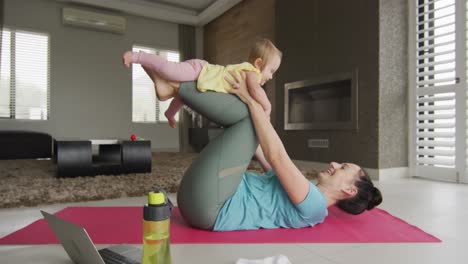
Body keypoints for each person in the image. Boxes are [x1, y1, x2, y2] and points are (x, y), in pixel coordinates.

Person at [145, 70, 383, 231]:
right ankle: (175, 88)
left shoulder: (315, 205)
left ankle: (176, 88)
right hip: (205, 197)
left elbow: (276, 156)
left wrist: (251, 101)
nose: (333, 163)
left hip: (211, 206)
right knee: (252, 120)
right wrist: (256, 109)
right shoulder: (305, 189)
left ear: (348, 189)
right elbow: (261, 148)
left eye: (342, 168)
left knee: (251, 118)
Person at [122, 38, 281, 128]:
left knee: (183, 96)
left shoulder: (249, 73)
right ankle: (137, 56)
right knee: (169, 69)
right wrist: (268, 107)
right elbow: (256, 91)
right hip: (199, 69)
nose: (271, 76)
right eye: (271, 71)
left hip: (202, 76)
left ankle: (170, 113)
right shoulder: (252, 72)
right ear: (259, 64)